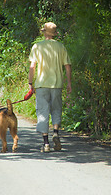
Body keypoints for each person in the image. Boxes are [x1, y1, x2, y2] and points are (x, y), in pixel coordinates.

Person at [28, 22, 72, 152]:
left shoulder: (37, 46)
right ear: (54, 34)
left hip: (42, 84)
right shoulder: (60, 46)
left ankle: (46, 144)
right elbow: (68, 66)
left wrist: (30, 83)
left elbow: (32, 67)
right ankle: (56, 133)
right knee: (57, 109)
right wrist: (69, 83)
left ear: (44, 32)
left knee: (42, 112)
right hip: (57, 84)